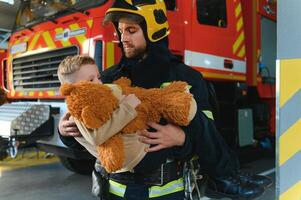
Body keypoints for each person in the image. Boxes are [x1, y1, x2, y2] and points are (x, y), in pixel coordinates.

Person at [58, 0, 272, 199]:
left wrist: (183, 140)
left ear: (153, 30)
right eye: (120, 31)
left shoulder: (187, 77)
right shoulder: (107, 79)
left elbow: (208, 134)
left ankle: (226, 177)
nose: (123, 38)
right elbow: (88, 142)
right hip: (115, 190)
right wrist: (65, 132)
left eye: (131, 30)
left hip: (169, 191)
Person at [57, 55, 197, 173]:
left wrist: (182, 138)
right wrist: (127, 107)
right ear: (72, 88)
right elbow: (95, 137)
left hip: (138, 154)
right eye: (91, 80)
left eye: (98, 77)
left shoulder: (180, 71)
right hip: (139, 158)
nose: (100, 83)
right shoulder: (80, 107)